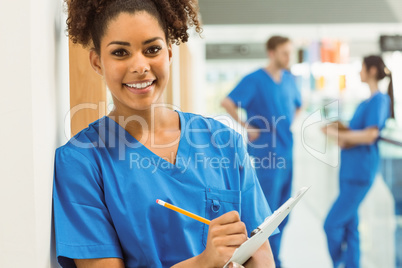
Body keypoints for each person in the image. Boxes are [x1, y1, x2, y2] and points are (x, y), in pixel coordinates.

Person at [53, 0, 277, 267]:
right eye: (121, 53)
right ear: (97, 62)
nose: (140, 66)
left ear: (169, 54)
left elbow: (260, 252)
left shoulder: (225, 141)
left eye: (152, 49)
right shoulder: (81, 162)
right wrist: (204, 262)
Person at [221, 35, 302, 267]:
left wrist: (289, 123)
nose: (289, 58)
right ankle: (267, 261)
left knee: (285, 212)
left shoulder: (289, 79)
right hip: (266, 154)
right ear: (272, 53)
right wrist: (247, 127)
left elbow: (299, 103)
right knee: (267, 216)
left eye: (291, 52)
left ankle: (275, 258)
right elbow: (227, 102)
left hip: (287, 152)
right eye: (285, 53)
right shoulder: (255, 79)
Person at [322, 55, 393, 268]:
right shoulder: (365, 102)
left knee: (332, 224)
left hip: (360, 173)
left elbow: (370, 135)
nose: (359, 72)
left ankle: (341, 262)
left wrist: (340, 136)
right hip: (349, 171)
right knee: (350, 227)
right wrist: (340, 134)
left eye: (362, 68)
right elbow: (356, 133)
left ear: (371, 71)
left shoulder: (380, 100)